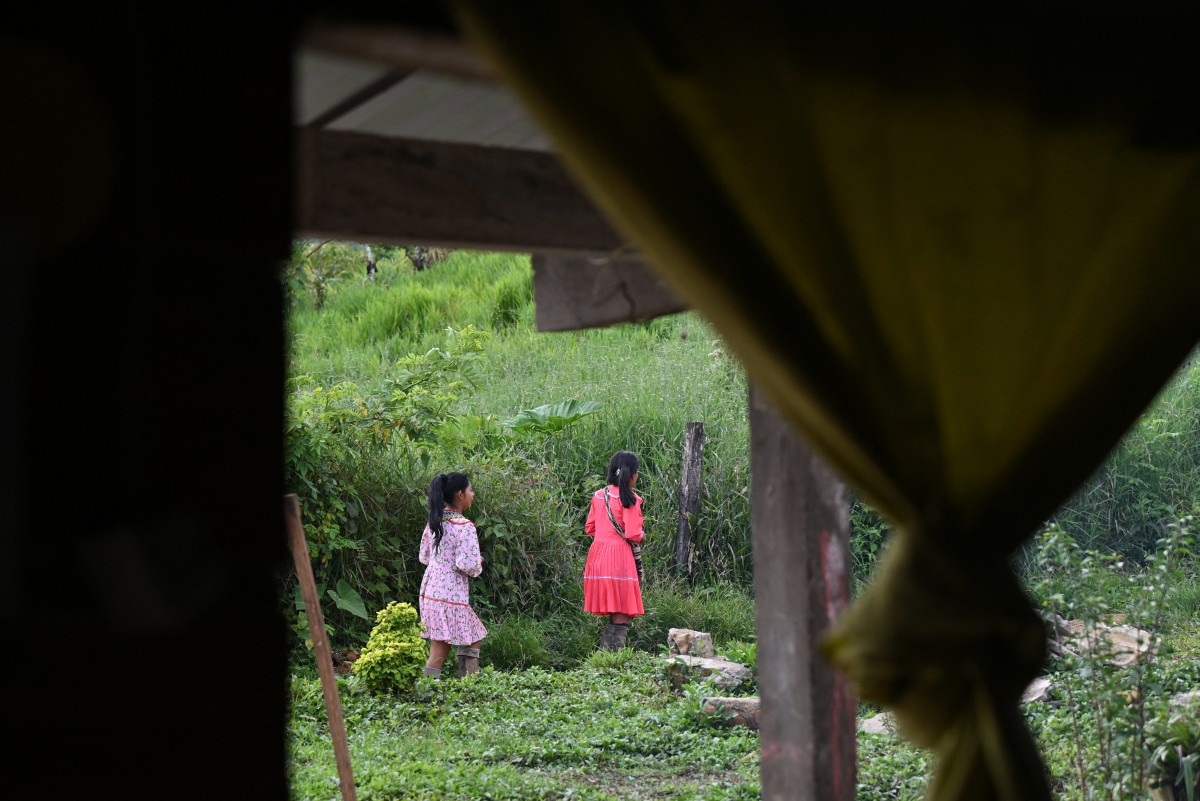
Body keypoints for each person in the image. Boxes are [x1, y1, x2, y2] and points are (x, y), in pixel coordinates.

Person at [417, 472, 487, 678]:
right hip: (450, 595)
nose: (473, 494)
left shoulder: (435, 522)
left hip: (432, 591)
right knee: (440, 648)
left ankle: (467, 683)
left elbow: (424, 556)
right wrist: (478, 561)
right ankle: (429, 687)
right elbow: (469, 565)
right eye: (470, 490)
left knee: (473, 634)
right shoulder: (464, 527)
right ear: (460, 494)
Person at [582, 450, 645, 650]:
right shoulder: (630, 499)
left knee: (615, 609)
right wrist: (642, 535)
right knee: (623, 611)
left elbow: (590, 528)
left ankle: (606, 656)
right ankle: (612, 656)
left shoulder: (599, 496)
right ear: (632, 475)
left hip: (598, 557)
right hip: (620, 558)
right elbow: (633, 534)